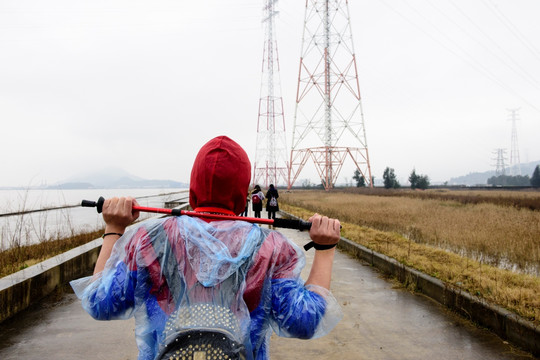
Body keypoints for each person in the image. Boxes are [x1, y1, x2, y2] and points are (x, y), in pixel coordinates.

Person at [71, 136, 342, 360]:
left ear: (191, 192)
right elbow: (305, 321)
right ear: (241, 198)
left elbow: (100, 302)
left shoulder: (148, 240)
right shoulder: (270, 248)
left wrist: (114, 229)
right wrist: (325, 247)